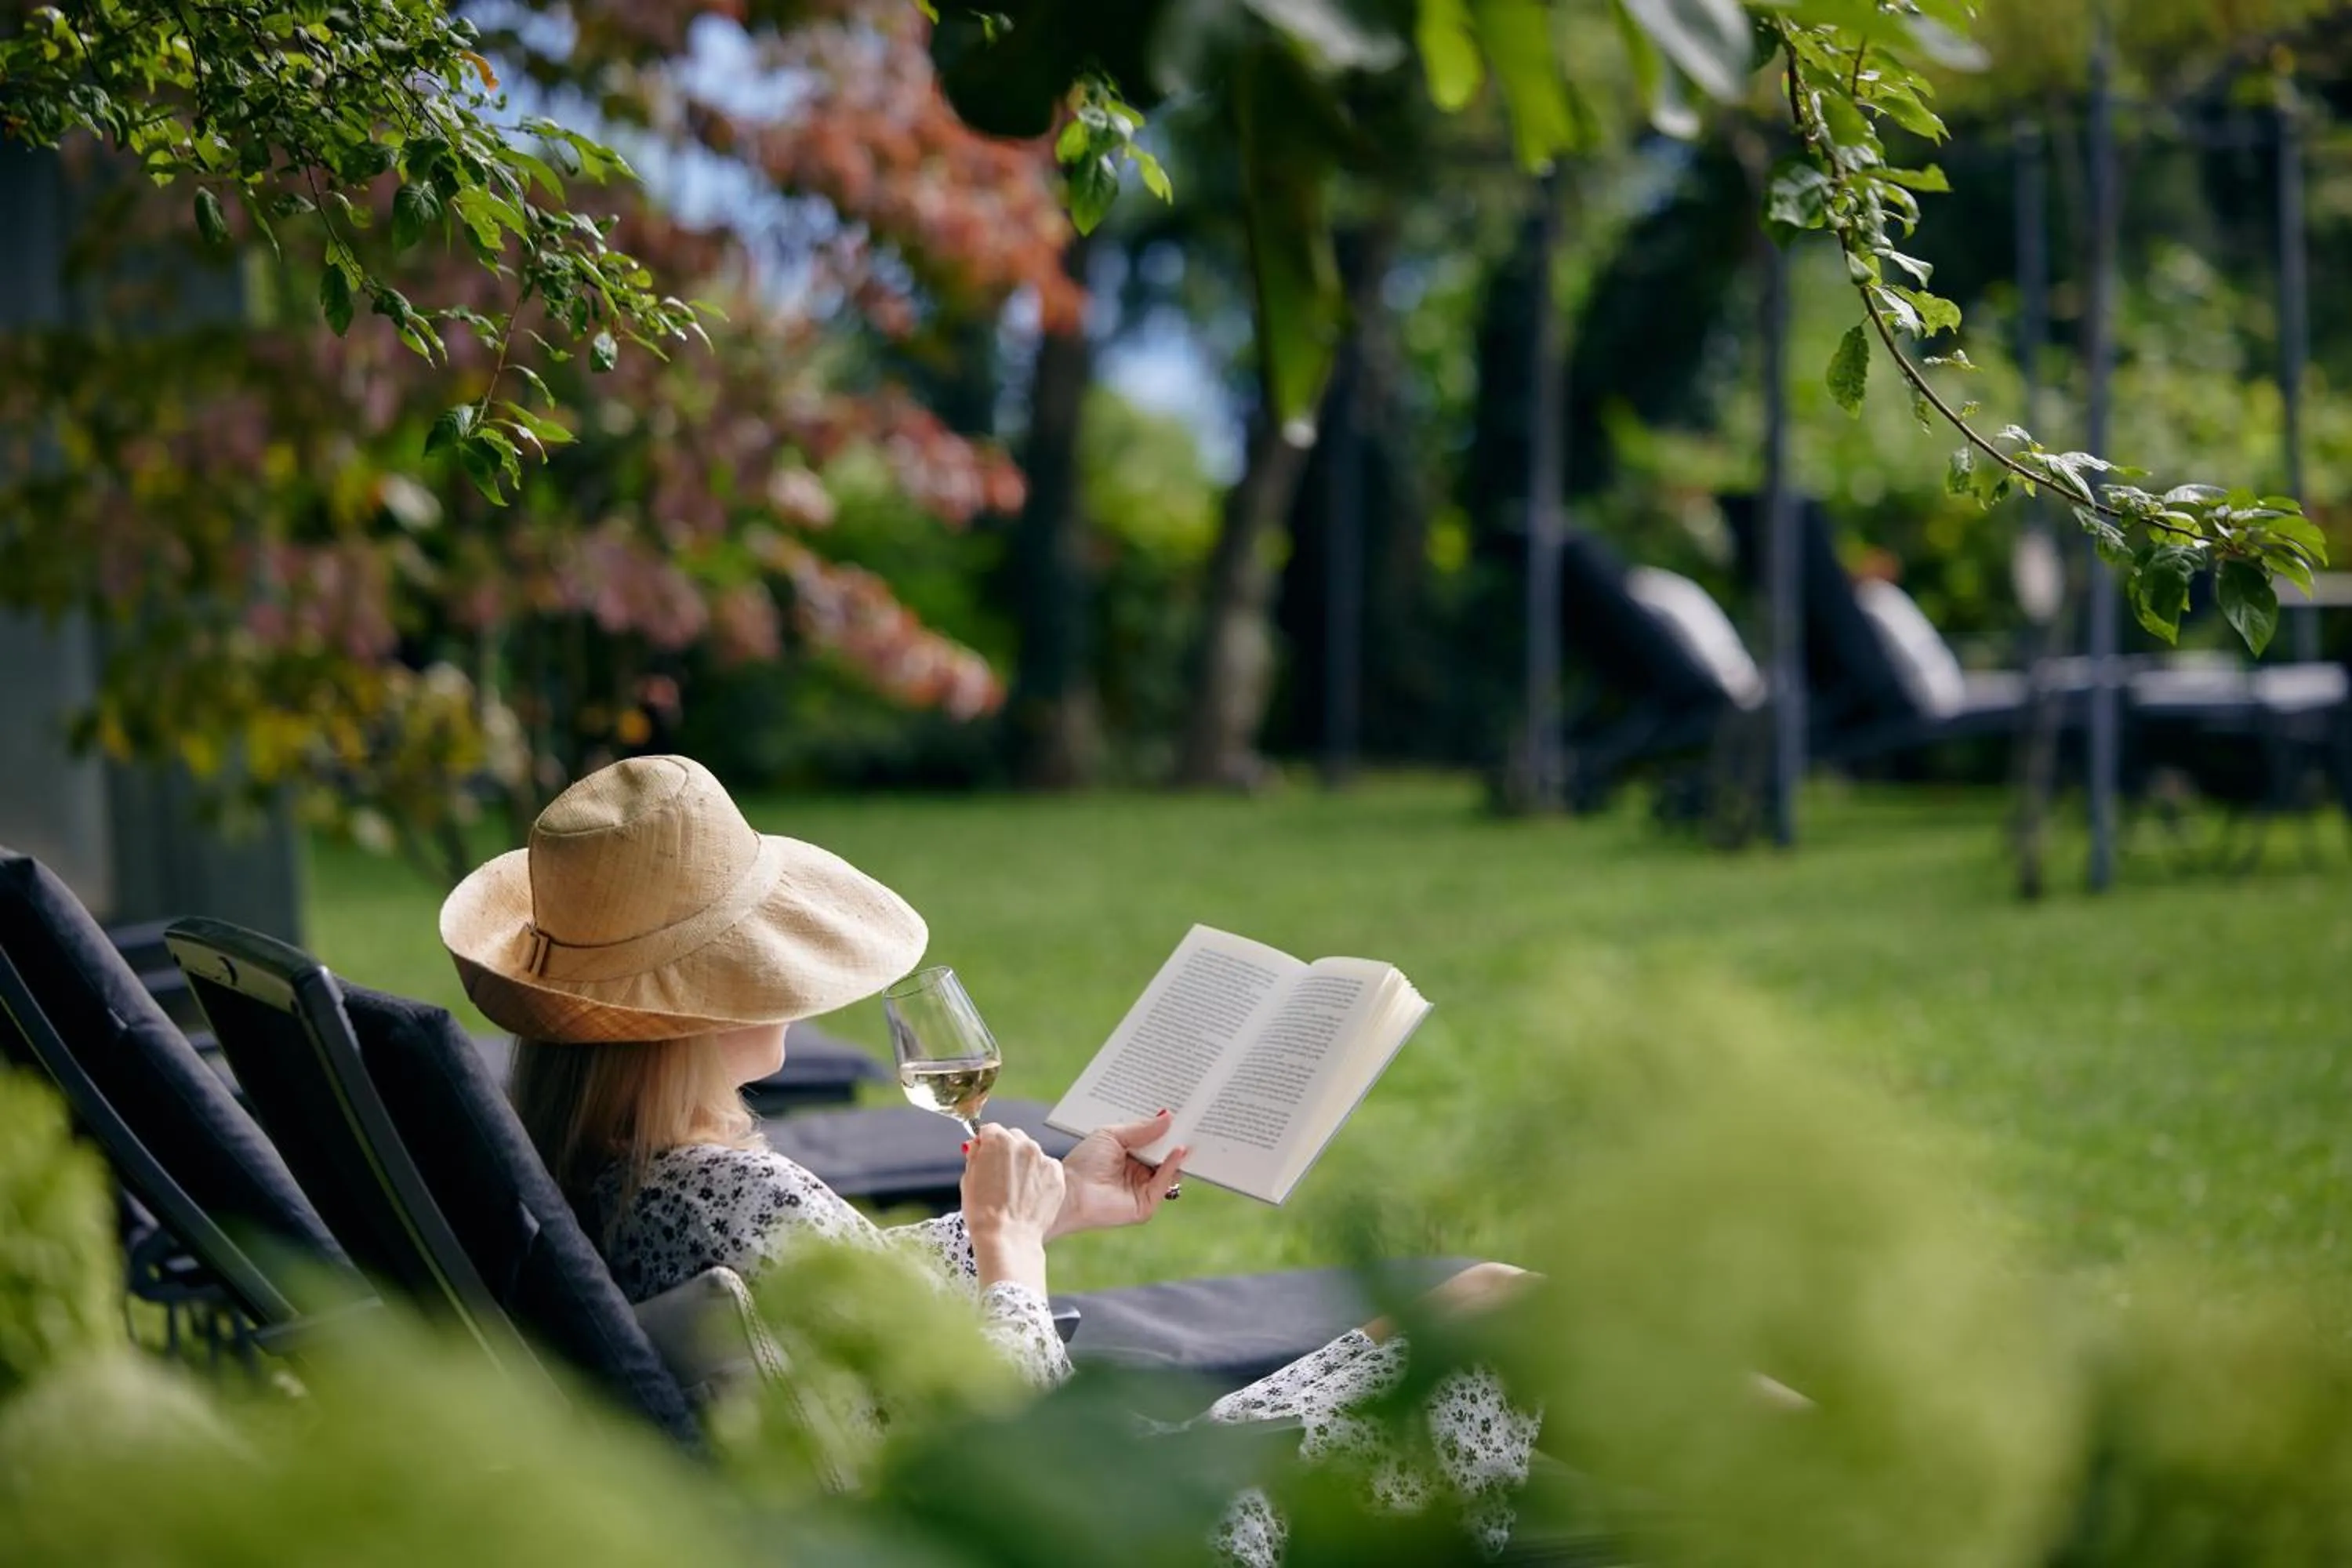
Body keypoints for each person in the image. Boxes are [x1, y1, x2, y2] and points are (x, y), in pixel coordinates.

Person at [441, 754, 1541, 1562]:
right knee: (1509, 1308)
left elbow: (823, 1307)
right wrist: (1014, 1254)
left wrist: (1050, 1205)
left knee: (1479, 1301)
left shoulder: (606, 1175)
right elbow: (1037, 1451)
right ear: (702, 1003)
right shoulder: (735, 1190)